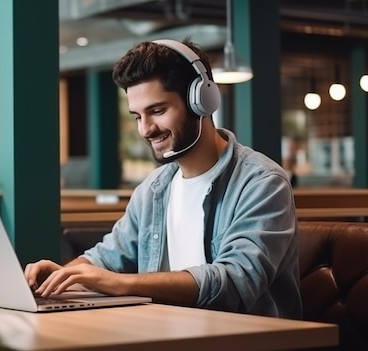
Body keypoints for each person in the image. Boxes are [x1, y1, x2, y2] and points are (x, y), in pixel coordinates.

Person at [24, 38, 302, 319]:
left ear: (201, 102)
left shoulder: (261, 183)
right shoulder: (153, 189)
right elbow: (107, 258)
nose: (146, 129)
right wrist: (64, 275)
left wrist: (121, 284)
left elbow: (236, 281)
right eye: (137, 116)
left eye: (157, 111)